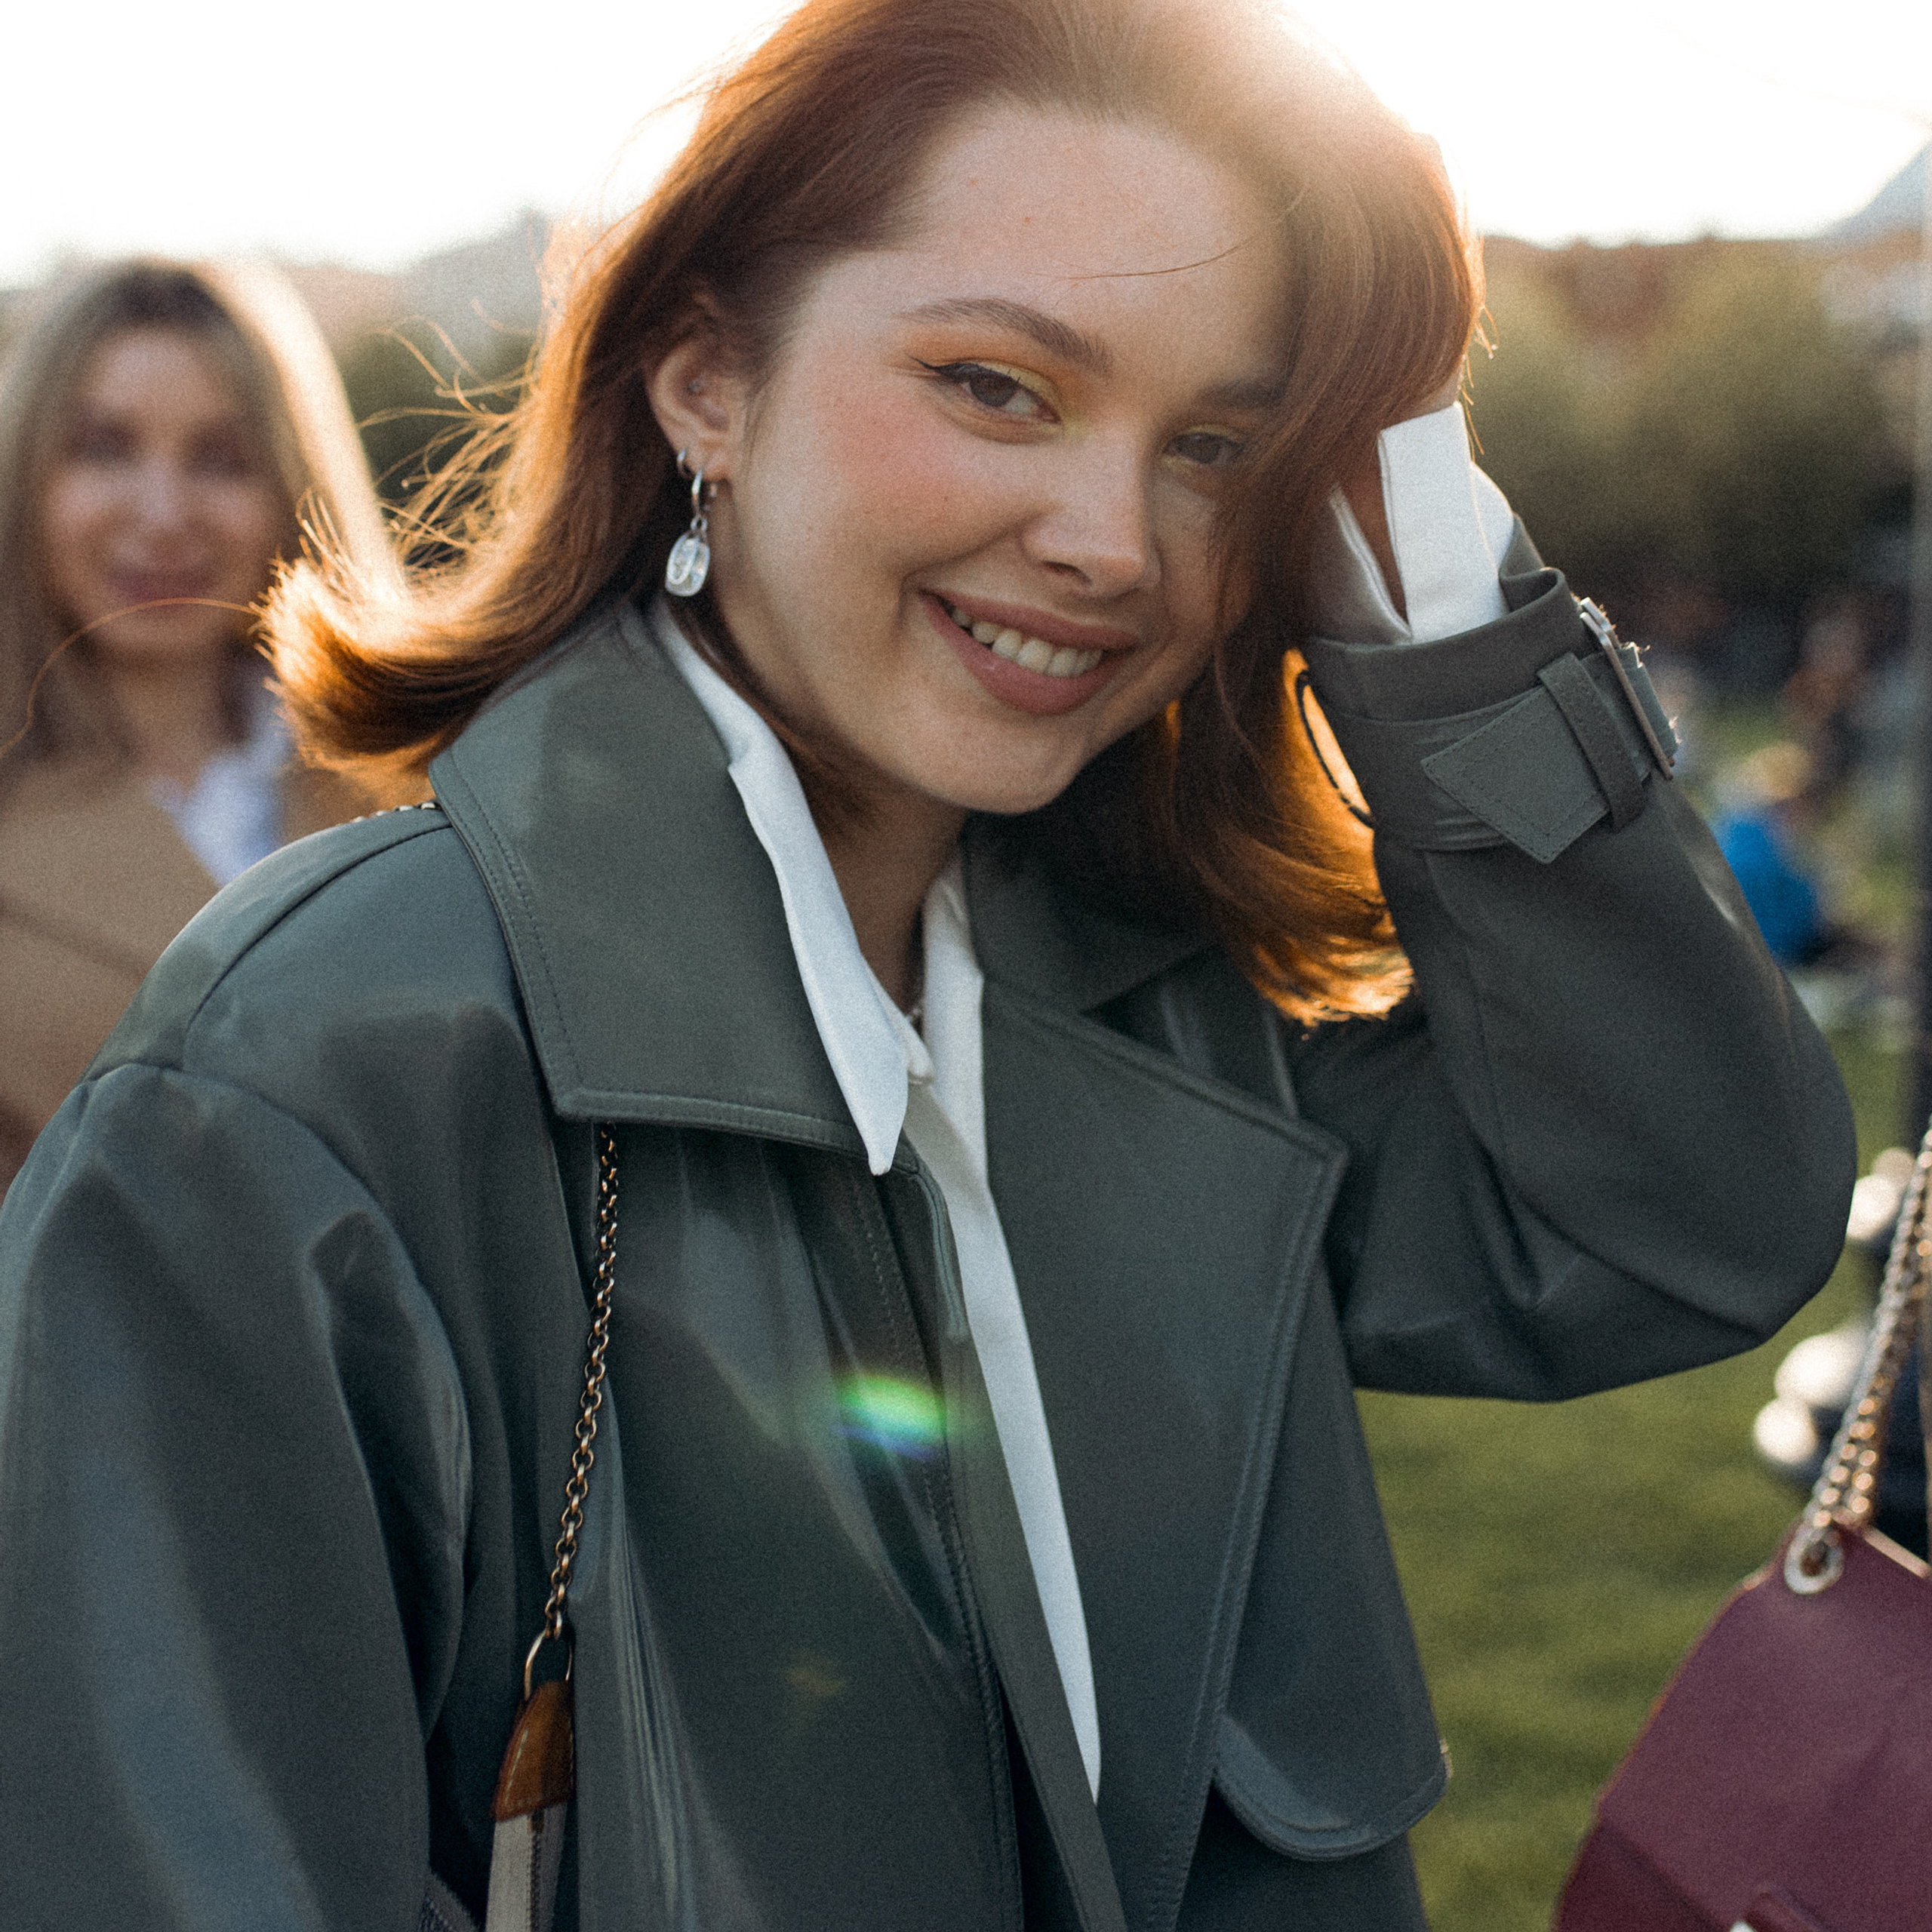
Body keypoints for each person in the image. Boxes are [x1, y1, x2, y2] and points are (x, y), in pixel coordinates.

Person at [0, 2, 1854, 1927]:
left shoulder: (1165, 1007)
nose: (1113, 540)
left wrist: (1440, 602)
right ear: (705, 377)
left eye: (1214, 442)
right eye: (996, 385)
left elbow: (1685, 1214)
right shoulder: (302, 1082)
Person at [0, 257, 390, 1186]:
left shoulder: (435, 788)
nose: (164, 514)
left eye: (222, 460)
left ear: (293, 486)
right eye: (104, 448)